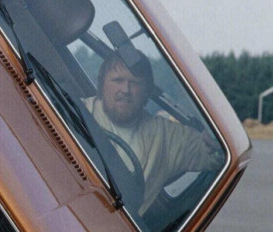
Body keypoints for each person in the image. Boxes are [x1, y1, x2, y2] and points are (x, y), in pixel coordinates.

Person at [83, 51, 223, 214]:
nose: (126, 89)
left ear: (146, 93)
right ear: (101, 84)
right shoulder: (76, 112)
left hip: (117, 226)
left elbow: (216, 154)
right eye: (118, 80)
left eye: (135, 83)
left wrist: (213, 138)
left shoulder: (165, 136)